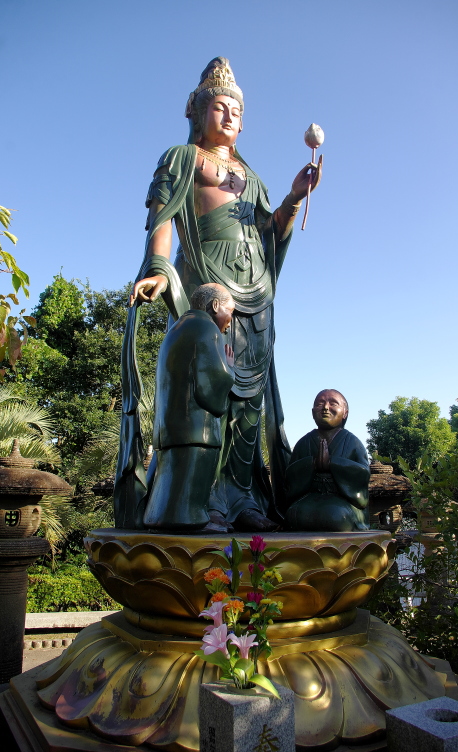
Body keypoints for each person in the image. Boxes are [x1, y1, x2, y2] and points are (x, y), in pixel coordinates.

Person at [114, 57, 322, 531]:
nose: (230, 117)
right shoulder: (181, 158)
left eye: (237, 111)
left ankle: (243, 498)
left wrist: (294, 197)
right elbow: (163, 219)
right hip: (207, 280)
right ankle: (202, 497)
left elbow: (271, 232)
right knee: (208, 391)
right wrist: (159, 270)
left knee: (250, 398)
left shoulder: (252, 175)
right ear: (198, 111)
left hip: (256, 289)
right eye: (220, 107)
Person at [143, 284, 235, 532]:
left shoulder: (177, 329)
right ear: (215, 305)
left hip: (169, 427)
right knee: (191, 481)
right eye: (230, 312)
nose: (230, 322)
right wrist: (230, 368)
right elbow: (212, 379)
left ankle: (159, 517)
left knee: (171, 482)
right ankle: (191, 520)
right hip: (195, 427)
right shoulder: (207, 328)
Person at [283, 390, 370, 532]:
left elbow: (363, 475)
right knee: (294, 515)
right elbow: (290, 475)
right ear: (313, 412)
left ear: (345, 413)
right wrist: (312, 464)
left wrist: (332, 463)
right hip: (309, 499)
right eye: (320, 404)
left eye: (333, 403)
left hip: (344, 502)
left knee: (335, 515)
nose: (325, 407)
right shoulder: (304, 443)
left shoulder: (353, 442)